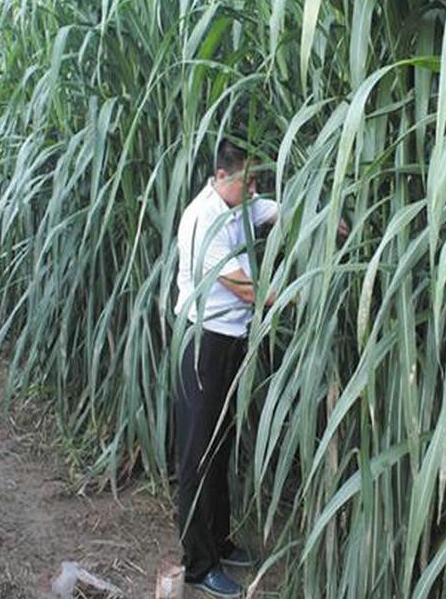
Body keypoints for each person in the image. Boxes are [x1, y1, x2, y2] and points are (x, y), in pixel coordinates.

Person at [173, 137, 279, 598]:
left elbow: (272, 210)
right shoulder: (203, 219)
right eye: (245, 179)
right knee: (198, 452)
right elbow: (244, 289)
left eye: (255, 178)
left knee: (220, 444)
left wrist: (326, 215)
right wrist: (295, 294)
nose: (253, 187)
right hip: (203, 344)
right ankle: (198, 566)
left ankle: (220, 541)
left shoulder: (239, 203)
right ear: (220, 177)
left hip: (230, 343)